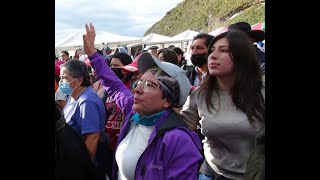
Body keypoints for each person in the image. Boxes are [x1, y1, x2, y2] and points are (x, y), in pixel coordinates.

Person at [83, 23, 203, 180]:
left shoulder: (179, 140)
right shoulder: (133, 114)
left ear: (167, 100)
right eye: (140, 82)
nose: (137, 90)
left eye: (150, 85)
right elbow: (115, 86)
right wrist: (93, 54)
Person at [180, 30, 265, 180]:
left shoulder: (261, 91)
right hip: (212, 174)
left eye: (223, 50)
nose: (212, 55)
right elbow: (181, 130)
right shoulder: (199, 95)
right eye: (211, 50)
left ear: (242, 56)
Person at [59, 59, 112, 179]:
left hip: (87, 163)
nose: (61, 82)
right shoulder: (72, 96)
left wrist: (83, 167)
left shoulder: (87, 102)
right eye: (60, 78)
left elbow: (92, 138)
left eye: (65, 78)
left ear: (79, 80)